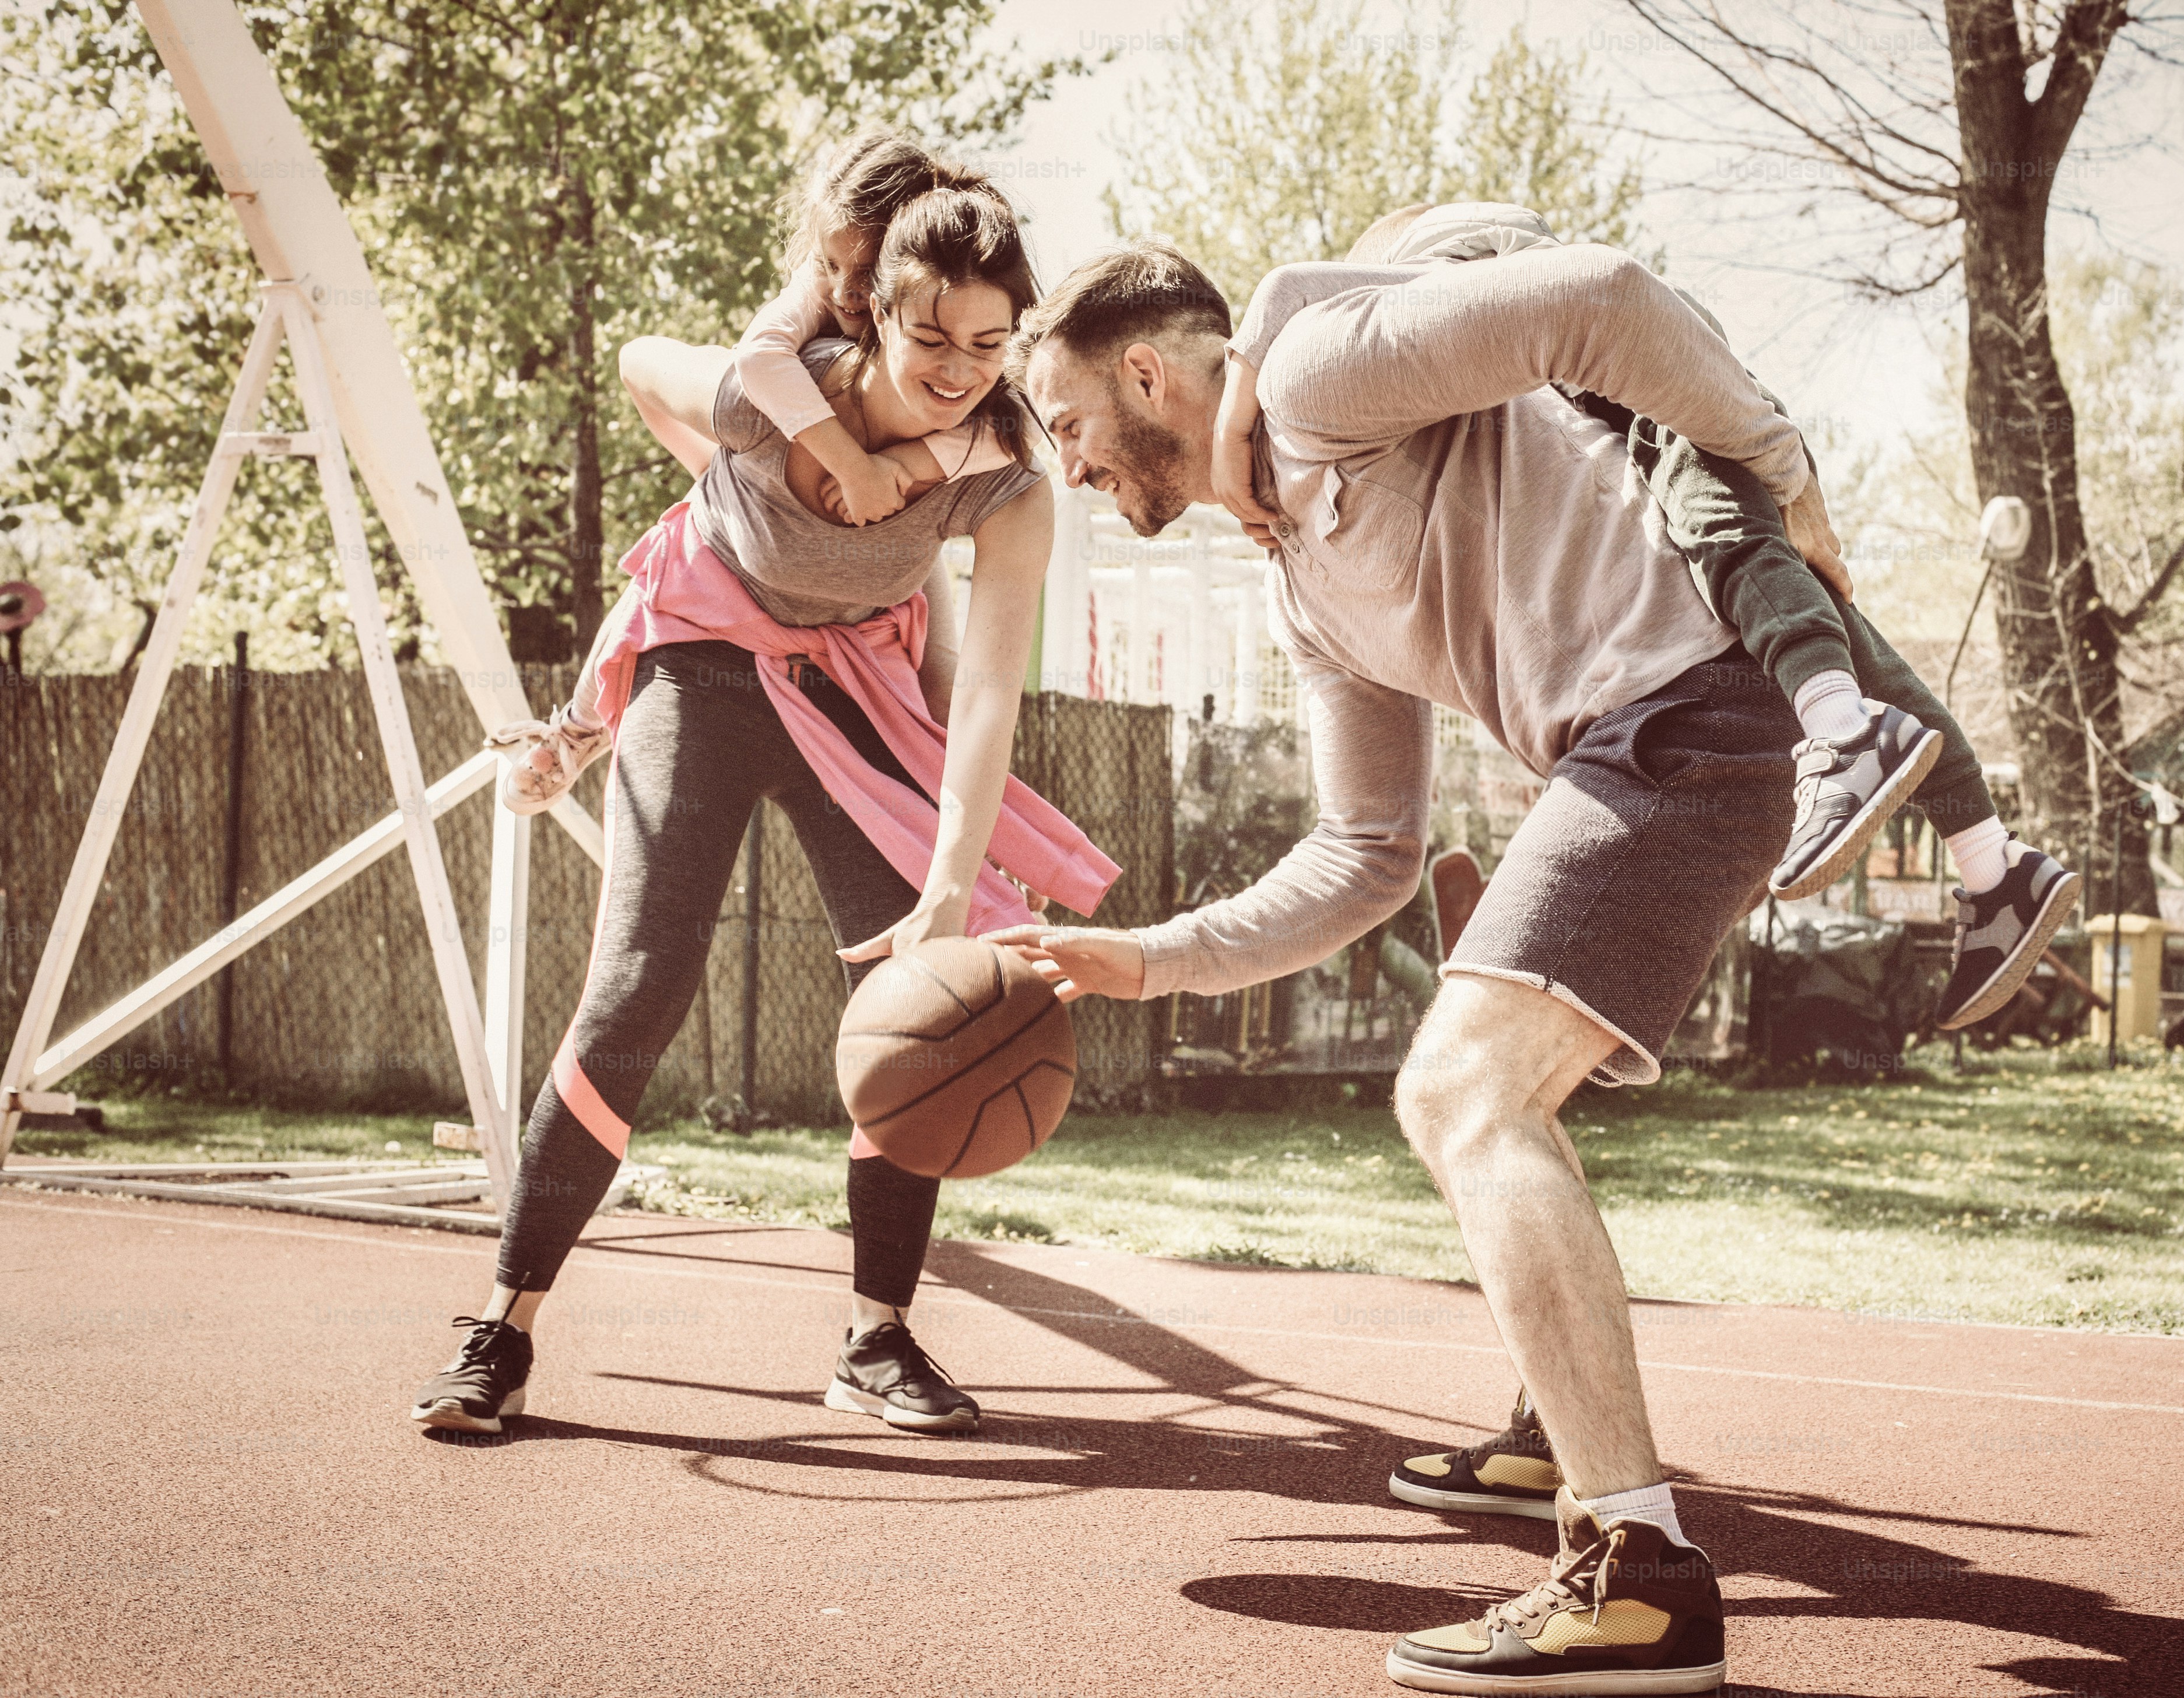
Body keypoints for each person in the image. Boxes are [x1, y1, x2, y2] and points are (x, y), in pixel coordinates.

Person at [995, 235, 1817, 1692]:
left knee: (1463, 1096)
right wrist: (1155, 960)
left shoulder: (1315, 377)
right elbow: (1365, 853)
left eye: (1064, 427)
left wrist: (1785, 481)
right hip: (1635, 749)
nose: (1064, 471)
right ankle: (1554, 1444)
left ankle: (1638, 1575)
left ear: (1141, 370)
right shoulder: (1300, 589)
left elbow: (1603, 302)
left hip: (1693, 712)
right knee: (1495, 1098)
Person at [407, 183, 1119, 1441]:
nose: (960, 367)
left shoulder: (1009, 481)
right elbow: (637, 361)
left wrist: (949, 889)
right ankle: (501, 1329)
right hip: (710, 656)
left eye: (989, 342)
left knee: (922, 995)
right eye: (933, 337)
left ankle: (877, 1335)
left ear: (1017, 337)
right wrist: (742, 480)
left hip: (856, 675)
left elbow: (988, 705)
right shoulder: (772, 391)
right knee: (641, 975)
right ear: (878, 316)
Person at [1213, 202, 2077, 1036]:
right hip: (1674, 418)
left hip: (1685, 416)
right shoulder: (1553, 385)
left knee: (1725, 540)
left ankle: (1844, 731)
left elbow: (1297, 288)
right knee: (1844, 631)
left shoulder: (1490, 275)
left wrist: (1233, 420)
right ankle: (1994, 864)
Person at [484, 127, 1020, 814]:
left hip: (897, 518)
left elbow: (1017, 432)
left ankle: (1003, 837)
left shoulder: (949, 331)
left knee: (944, 684)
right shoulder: (816, 295)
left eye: (865, 274)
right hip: (773, 464)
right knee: (683, 552)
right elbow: (758, 362)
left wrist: (906, 464)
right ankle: (577, 731)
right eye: (832, 265)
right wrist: (848, 465)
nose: (847, 292)